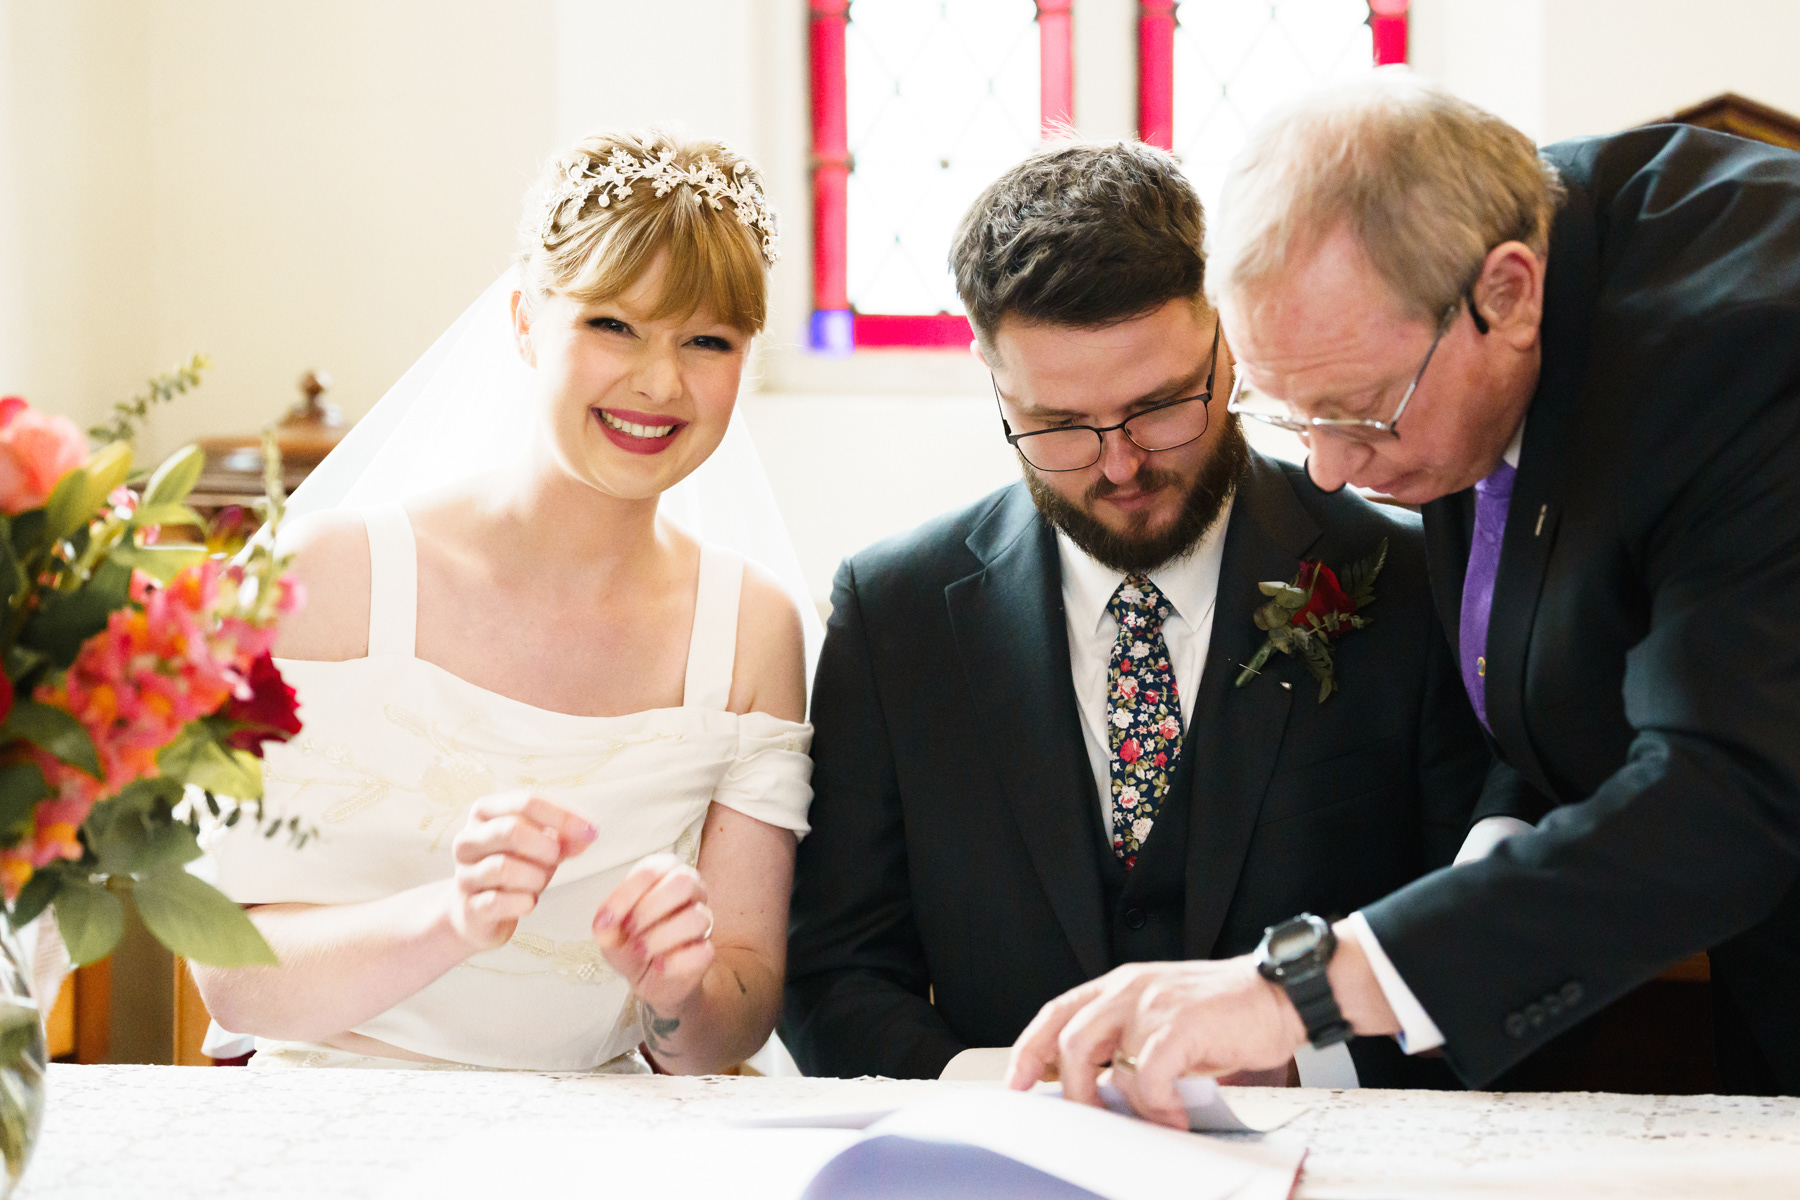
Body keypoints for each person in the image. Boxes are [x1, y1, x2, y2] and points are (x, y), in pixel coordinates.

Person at [1007, 75, 1800, 1123]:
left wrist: (1299, 989)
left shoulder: (1747, 350)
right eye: (1292, 415)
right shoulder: (1464, 292)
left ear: (1507, 296)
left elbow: (1734, 791)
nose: (1330, 469)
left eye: (1359, 414)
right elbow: (1563, 682)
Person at [783, 140, 1510, 1089]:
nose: (1120, 465)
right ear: (992, 378)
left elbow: (1486, 942)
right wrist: (1001, 1090)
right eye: (1058, 425)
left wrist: (1304, 1066)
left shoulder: (1411, 581)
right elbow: (833, 976)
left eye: (1161, 407)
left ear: (1228, 336)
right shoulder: (895, 615)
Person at [193, 131, 815, 1075]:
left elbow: (736, 1016)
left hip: (611, 1132)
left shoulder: (751, 631)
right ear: (525, 320)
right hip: (329, 1116)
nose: (660, 382)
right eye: (613, 325)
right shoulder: (324, 576)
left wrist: (676, 993)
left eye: (707, 341)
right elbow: (234, 984)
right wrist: (452, 918)